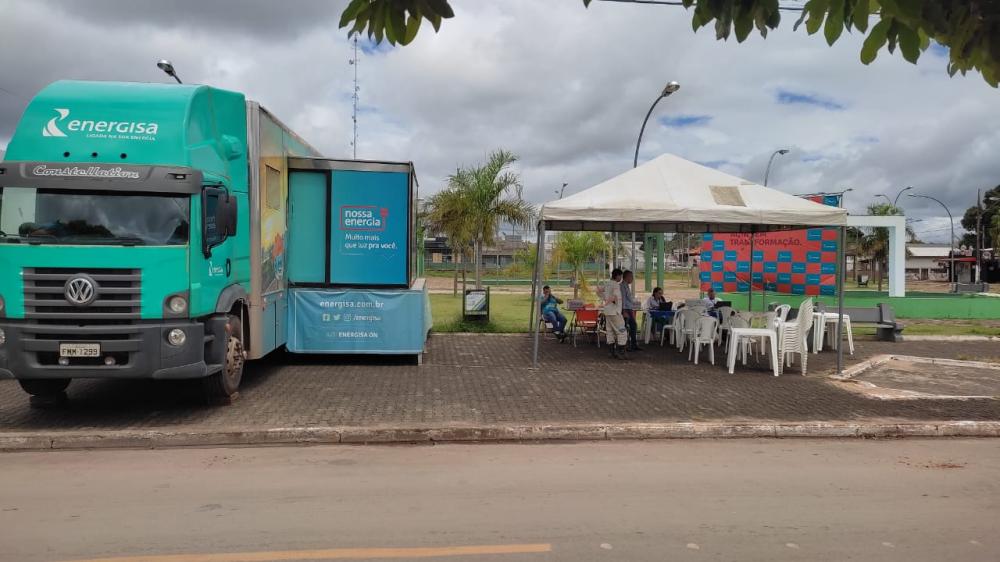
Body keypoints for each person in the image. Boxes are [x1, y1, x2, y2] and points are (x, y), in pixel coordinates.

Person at [601, 268, 629, 360]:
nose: (621, 278)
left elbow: (599, 292)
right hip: (615, 311)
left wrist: (606, 300)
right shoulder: (616, 285)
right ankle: (621, 352)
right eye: (620, 276)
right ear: (617, 276)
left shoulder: (607, 283)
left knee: (610, 331)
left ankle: (611, 352)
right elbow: (616, 297)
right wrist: (615, 302)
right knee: (622, 331)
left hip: (607, 311)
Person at [621, 270, 641, 351]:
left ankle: (633, 344)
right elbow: (623, 299)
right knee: (625, 327)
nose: (632, 279)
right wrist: (624, 311)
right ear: (627, 277)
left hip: (629, 308)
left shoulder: (626, 286)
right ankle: (624, 345)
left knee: (633, 326)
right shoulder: (622, 286)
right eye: (631, 277)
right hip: (625, 309)